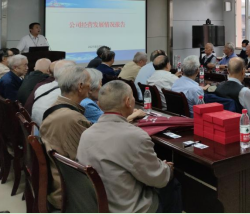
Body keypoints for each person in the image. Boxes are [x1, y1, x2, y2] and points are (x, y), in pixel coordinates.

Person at [77, 80, 180, 213]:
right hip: (130, 208)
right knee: (172, 183)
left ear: (99, 105)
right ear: (128, 102)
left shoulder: (86, 134)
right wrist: (166, 169)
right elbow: (158, 179)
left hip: (98, 205)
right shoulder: (135, 136)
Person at [40, 65, 92, 209]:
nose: (91, 86)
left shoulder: (56, 106)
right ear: (80, 86)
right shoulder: (73, 118)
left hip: (59, 182)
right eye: (89, 82)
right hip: (71, 190)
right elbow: (89, 159)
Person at [215, 57, 250, 140]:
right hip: (243, 132)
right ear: (243, 71)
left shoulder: (218, 87)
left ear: (228, 70)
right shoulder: (244, 91)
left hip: (223, 130)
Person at [80, 68, 145, 124]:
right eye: (100, 84)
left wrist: (128, 113)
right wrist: (134, 115)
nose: (102, 88)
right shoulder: (88, 104)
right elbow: (110, 124)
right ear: (90, 89)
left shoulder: (90, 101)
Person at [31, 60, 76, 127]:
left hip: (37, 128)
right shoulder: (67, 92)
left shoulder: (41, 87)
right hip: (50, 130)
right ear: (71, 74)